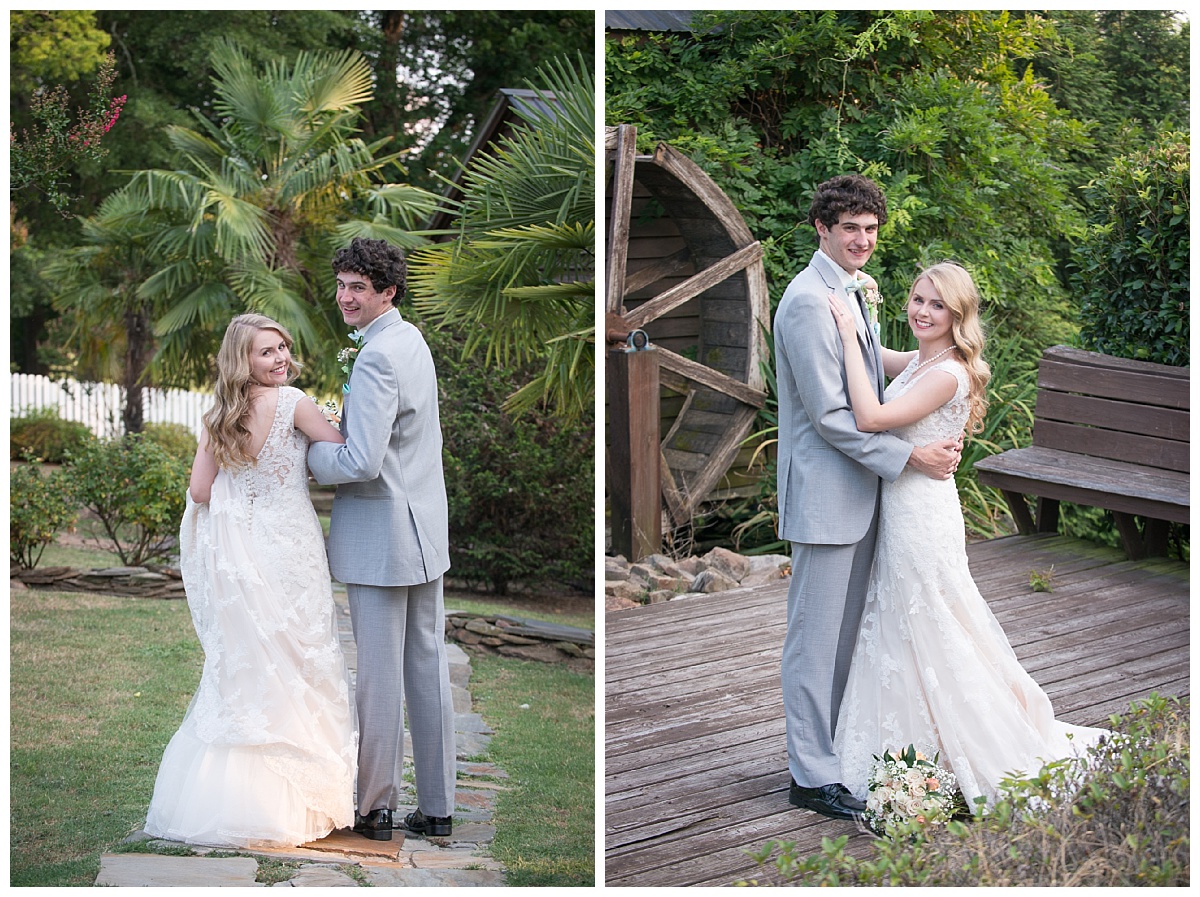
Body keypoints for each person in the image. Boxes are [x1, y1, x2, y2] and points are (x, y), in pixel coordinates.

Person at [827, 261, 1107, 809]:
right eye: (917, 299)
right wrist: (861, 309)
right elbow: (875, 359)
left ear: (959, 316)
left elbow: (869, 415)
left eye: (937, 305)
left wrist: (842, 328)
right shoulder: (922, 359)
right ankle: (917, 739)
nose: (923, 312)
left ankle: (971, 742)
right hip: (906, 507)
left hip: (921, 516)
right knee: (909, 622)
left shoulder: (947, 373)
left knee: (929, 619)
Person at [774, 174, 962, 821]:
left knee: (845, 638)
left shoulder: (849, 292)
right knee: (813, 639)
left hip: (863, 496)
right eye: (849, 227)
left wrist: (938, 366)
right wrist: (911, 454)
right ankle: (809, 774)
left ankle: (825, 753)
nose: (861, 239)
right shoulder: (806, 300)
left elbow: (871, 356)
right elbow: (830, 415)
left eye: (870, 229)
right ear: (821, 228)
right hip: (827, 498)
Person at [145, 314, 357, 848]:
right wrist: (338, 415)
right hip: (290, 547)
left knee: (252, 664)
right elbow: (340, 449)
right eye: (267, 351)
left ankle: (225, 800)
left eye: (283, 347)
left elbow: (199, 492)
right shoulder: (294, 403)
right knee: (302, 658)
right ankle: (297, 805)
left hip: (243, 552)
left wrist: (242, 507)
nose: (281, 357)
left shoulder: (218, 414)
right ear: (244, 359)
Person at [308, 237, 456, 841]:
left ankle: (375, 808)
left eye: (358, 288)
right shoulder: (409, 340)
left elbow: (363, 461)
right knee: (427, 665)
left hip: (382, 537)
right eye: (341, 284)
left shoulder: (373, 357)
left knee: (378, 675)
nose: (345, 297)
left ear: (387, 292)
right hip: (424, 534)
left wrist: (313, 453)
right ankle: (440, 809)